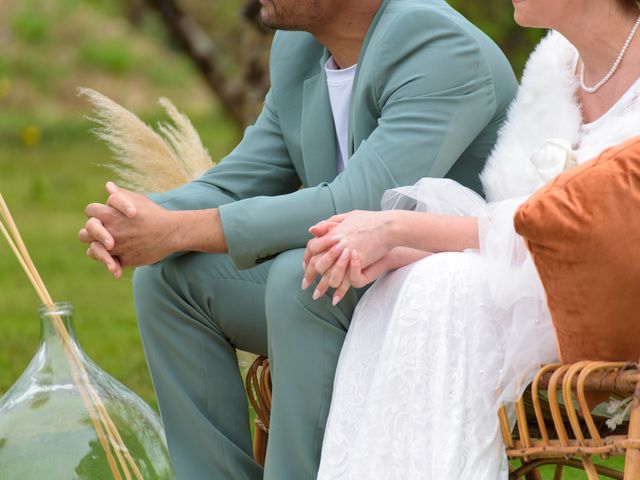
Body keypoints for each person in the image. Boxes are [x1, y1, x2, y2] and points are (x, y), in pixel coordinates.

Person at [78, 0, 517, 478]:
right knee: (171, 277)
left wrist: (178, 229)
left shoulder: (437, 45)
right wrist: (145, 215)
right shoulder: (299, 48)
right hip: (352, 279)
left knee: (305, 275)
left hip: (446, 288)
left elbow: (357, 201)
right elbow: (243, 176)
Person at [303, 0, 640, 478]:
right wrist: (403, 249)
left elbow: (569, 233)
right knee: (408, 278)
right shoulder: (557, 63)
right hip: (533, 282)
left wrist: (401, 227)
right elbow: (510, 217)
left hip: (614, 301)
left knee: (449, 285)